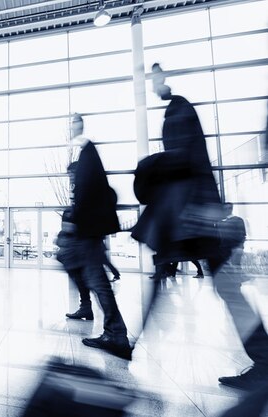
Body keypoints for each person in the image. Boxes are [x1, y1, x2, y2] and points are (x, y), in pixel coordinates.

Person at [132, 63, 268, 387]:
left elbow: (181, 159)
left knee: (194, 278)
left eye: (153, 80)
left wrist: (150, 168)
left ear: (162, 79)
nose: (152, 86)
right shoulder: (178, 109)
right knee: (221, 285)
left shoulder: (177, 110)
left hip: (191, 211)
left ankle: (128, 343)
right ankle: (264, 359)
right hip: (195, 210)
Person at [59, 114, 131, 360]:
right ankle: (114, 331)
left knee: (98, 283)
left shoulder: (88, 154)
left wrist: (76, 221)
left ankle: (117, 334)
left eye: (73, 125)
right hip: (90, 232)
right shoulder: (87, 156)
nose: (71, 130)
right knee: (96, 281)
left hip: (89, 232)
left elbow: (89, 196)